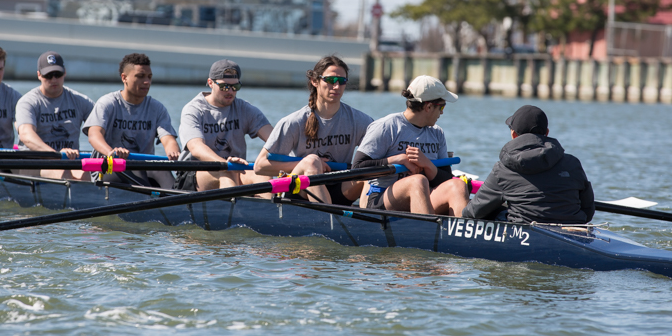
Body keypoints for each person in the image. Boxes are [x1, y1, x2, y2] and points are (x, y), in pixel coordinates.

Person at [254, 56, 373, 206]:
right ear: (315, 81)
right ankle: (328, 220)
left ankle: (373, 220)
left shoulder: (359, 120)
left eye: (342, 81)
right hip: (300, 190)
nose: (336, 87)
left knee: (372, 170)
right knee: (312, 161)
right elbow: (260, 166)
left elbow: (382, 151)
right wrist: (305, 163)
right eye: (330, 80)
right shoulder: (293, 122)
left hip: (338, 187)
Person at [352, 75, 467, 215]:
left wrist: (427, 164)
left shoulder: (437, 133)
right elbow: (357, 168)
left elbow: (446, 178)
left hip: (423, 196)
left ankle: (458, 234)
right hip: (383, 200)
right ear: (428, 106)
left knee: (458, 185)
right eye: (441, 106)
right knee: (417, 181)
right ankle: (427, 232)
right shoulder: (386, 127)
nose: (442, 112)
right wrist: (397, 160)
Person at [462, 105, 595, 224]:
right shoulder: (573, 163)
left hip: (526, 232)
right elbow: (588, 211)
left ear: (513, 134)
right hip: (573, 228)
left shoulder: (503, 169)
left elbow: (473, 213)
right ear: (547, 133)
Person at [83, 53, 180, 188]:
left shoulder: (157, 108)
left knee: (161, 171)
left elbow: (169, 140)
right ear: (124, 78)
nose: (147, 82)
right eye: (140, 77)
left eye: (149, 77)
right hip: (109, 167)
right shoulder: (107, 103)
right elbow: (94, 135)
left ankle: (179, 203)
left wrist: (173, 152)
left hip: (142, 167)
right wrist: (111, 152)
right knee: (137, 171)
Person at [176, 59, 273, 192]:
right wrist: (225, 164)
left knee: (263, 175)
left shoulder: (245, 109)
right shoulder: (193, 110)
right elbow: (196, 147)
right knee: (227, 172)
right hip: (193, 174)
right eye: (225, 86)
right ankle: (232, 210)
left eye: (235, 87)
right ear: (210, 83)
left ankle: (268, 212)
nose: (231, 92)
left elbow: (274, 140)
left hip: (234, 169)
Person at [16, 52, 95, 180]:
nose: (54, 80)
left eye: (57, 74)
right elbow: (26, 136)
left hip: (69, 161)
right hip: (35, 163)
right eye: (48, 75)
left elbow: (102, 129)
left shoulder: (80, 101)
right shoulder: (28, 102)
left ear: (65, 73)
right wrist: (56, 155)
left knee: (88, 173)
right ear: (39, 75)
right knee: (64, 172)